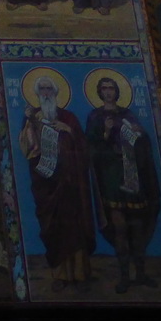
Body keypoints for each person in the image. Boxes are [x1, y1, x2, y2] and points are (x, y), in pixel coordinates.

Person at [19, 74, 95, 291]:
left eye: (48, 89)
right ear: (37, 93)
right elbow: (27, 149)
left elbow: (83, 146)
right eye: (41, 89)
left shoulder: (69, 118)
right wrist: (30, 126)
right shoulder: (32, 116)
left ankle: (80, 274)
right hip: (46, 183)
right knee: (53, 228)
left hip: (70, 182)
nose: (45, 92)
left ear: (55, 92)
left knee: (74, 226)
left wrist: (68, 130)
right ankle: (60, 275)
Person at [85, 76, 161, 293]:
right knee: (119, 227)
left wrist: (139, 135)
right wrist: (107, 132)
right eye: (104, 88)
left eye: (111, 88)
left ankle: (141, 273)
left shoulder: (127, 114)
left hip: (133, 176)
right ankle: (124, 277)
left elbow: (143, 143)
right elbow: (90, 147)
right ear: (100, 92)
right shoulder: (95, 116)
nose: (108, 92)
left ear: (117, 91)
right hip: (111, 177)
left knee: (137, 227)